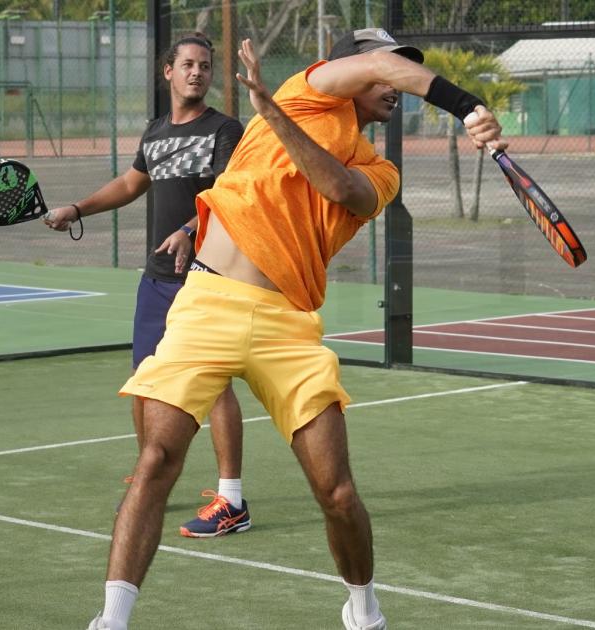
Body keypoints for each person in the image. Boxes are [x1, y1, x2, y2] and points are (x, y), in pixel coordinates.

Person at [86, 28, 506, 630]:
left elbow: (339, 187)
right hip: (208, 302)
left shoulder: (381, 169)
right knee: (156, 460)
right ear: (350, 71)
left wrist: (273, 117)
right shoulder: (305, 90)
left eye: (397, 73)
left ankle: (364, 610)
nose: (394, 84)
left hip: (288, 324)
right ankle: (111, 620)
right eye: (382, 70)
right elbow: (388, 71)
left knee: (336, 492)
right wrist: (467, 107)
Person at [43, 34, 252, 538]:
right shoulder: (155, 132)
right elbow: (129, 184)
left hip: (208, 277)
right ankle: (151, 478)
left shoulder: (225, 130)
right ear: (168, 72)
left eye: (205, 65)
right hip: (157, 279)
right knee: (145, 381)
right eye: (188, 64)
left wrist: (189, 231)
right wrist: (77, 208)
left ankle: (231, 500)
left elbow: (231, 196)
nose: (197, 72)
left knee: (214, 385)